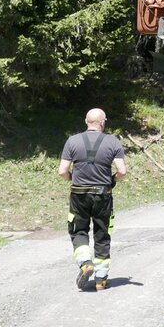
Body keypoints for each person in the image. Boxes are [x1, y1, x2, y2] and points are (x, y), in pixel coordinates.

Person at [58, 108, 126, 291]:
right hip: (103, 195)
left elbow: (62, 171)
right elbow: (122, 171)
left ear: (86, 121)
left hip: (79, 195)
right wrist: (112, 181)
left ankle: (85, 263)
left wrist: (74, 179)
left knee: (78, 230)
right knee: (102, 234)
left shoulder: (72, 141)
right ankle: (101, 280)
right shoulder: (113, 142)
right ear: (103, 122)